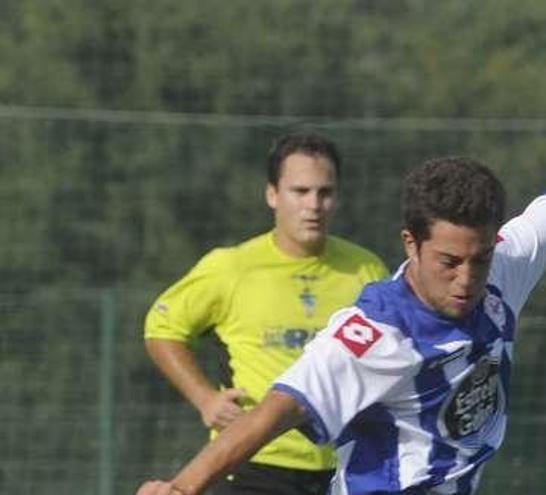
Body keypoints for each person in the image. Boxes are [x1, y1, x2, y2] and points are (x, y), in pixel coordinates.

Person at [137, 38, 546, 495]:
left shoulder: (501, 267)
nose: (467, 277)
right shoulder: (374, 332)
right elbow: (279, 409)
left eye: (479, 258)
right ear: (410, 244)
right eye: (449, 262)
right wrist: (185, 486)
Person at [143, 130, 389, 495]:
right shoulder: (233, 268)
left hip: (343, 465)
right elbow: (162, 327)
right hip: (253, 464)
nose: (313, 205)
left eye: (325, 192)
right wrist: (205, 398)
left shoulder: (366, 271)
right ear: (272, 194)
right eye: (300, 191)